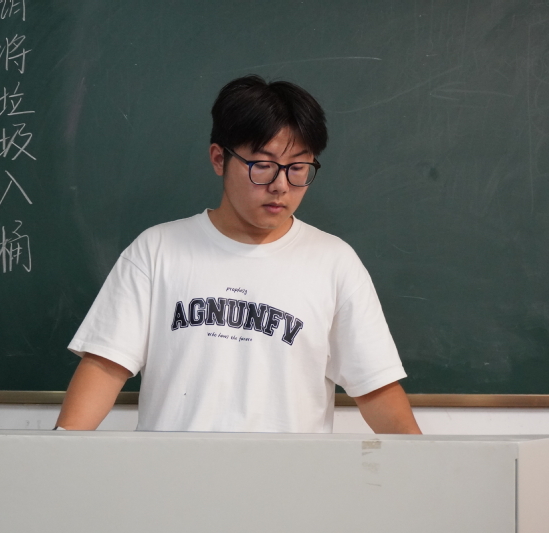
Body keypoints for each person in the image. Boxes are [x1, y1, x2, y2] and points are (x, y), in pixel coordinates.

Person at [56, 75, 421, 434]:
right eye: (263, 166)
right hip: (174, 473)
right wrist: (59, 450)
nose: (281, 185)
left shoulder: (335, 262)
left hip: (288, 474)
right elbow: (105, 366)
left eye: (298, 168)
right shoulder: (157, 250)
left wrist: (424, 463)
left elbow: (375, 388)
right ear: (219, 159)